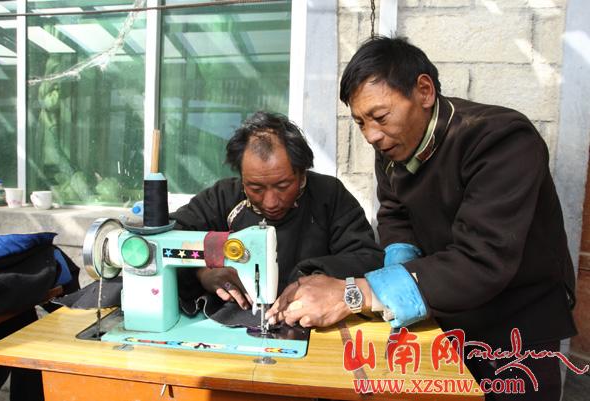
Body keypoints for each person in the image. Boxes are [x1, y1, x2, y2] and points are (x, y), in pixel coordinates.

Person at [265, 36, 578, 400]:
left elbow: (481, 260)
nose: (371, 135)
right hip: (446, 311)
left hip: (516, 323)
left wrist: (355, 294)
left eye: (380, 117)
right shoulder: (395, 147)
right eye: (360, 122)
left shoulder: (501, 140)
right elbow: (396, 217)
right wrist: (394, 290)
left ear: (424, 91)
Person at [170, 111, 383, 313]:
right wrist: (202, 273)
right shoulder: (223, 197)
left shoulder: (329, 196)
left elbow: (366, 258)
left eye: (283, 186)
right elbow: (170, 240)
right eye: (255, 188)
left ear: (301, 173)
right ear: (242, 177)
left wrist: (314, 277)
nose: (271, 202)